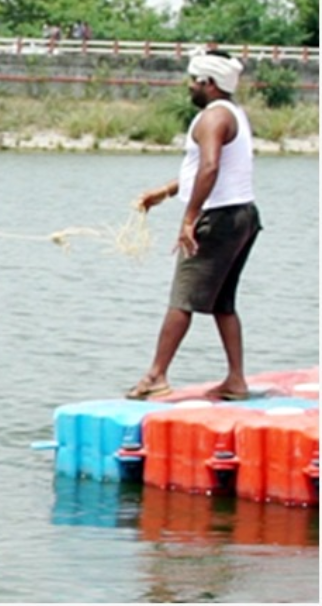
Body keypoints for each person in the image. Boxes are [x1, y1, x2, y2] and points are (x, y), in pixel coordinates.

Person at [125, 49, 261, 401]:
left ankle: (156, 375)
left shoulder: (212, 118)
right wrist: (166, 192)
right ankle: (236, 380)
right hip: (243, 214)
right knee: (222, 302)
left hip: (218, 219)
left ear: (209, 84)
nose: (189, 87)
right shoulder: (232, 113)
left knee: (181, 299)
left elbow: (210, 167)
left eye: (193, 81)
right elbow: (204, 168)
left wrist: (190, 217)